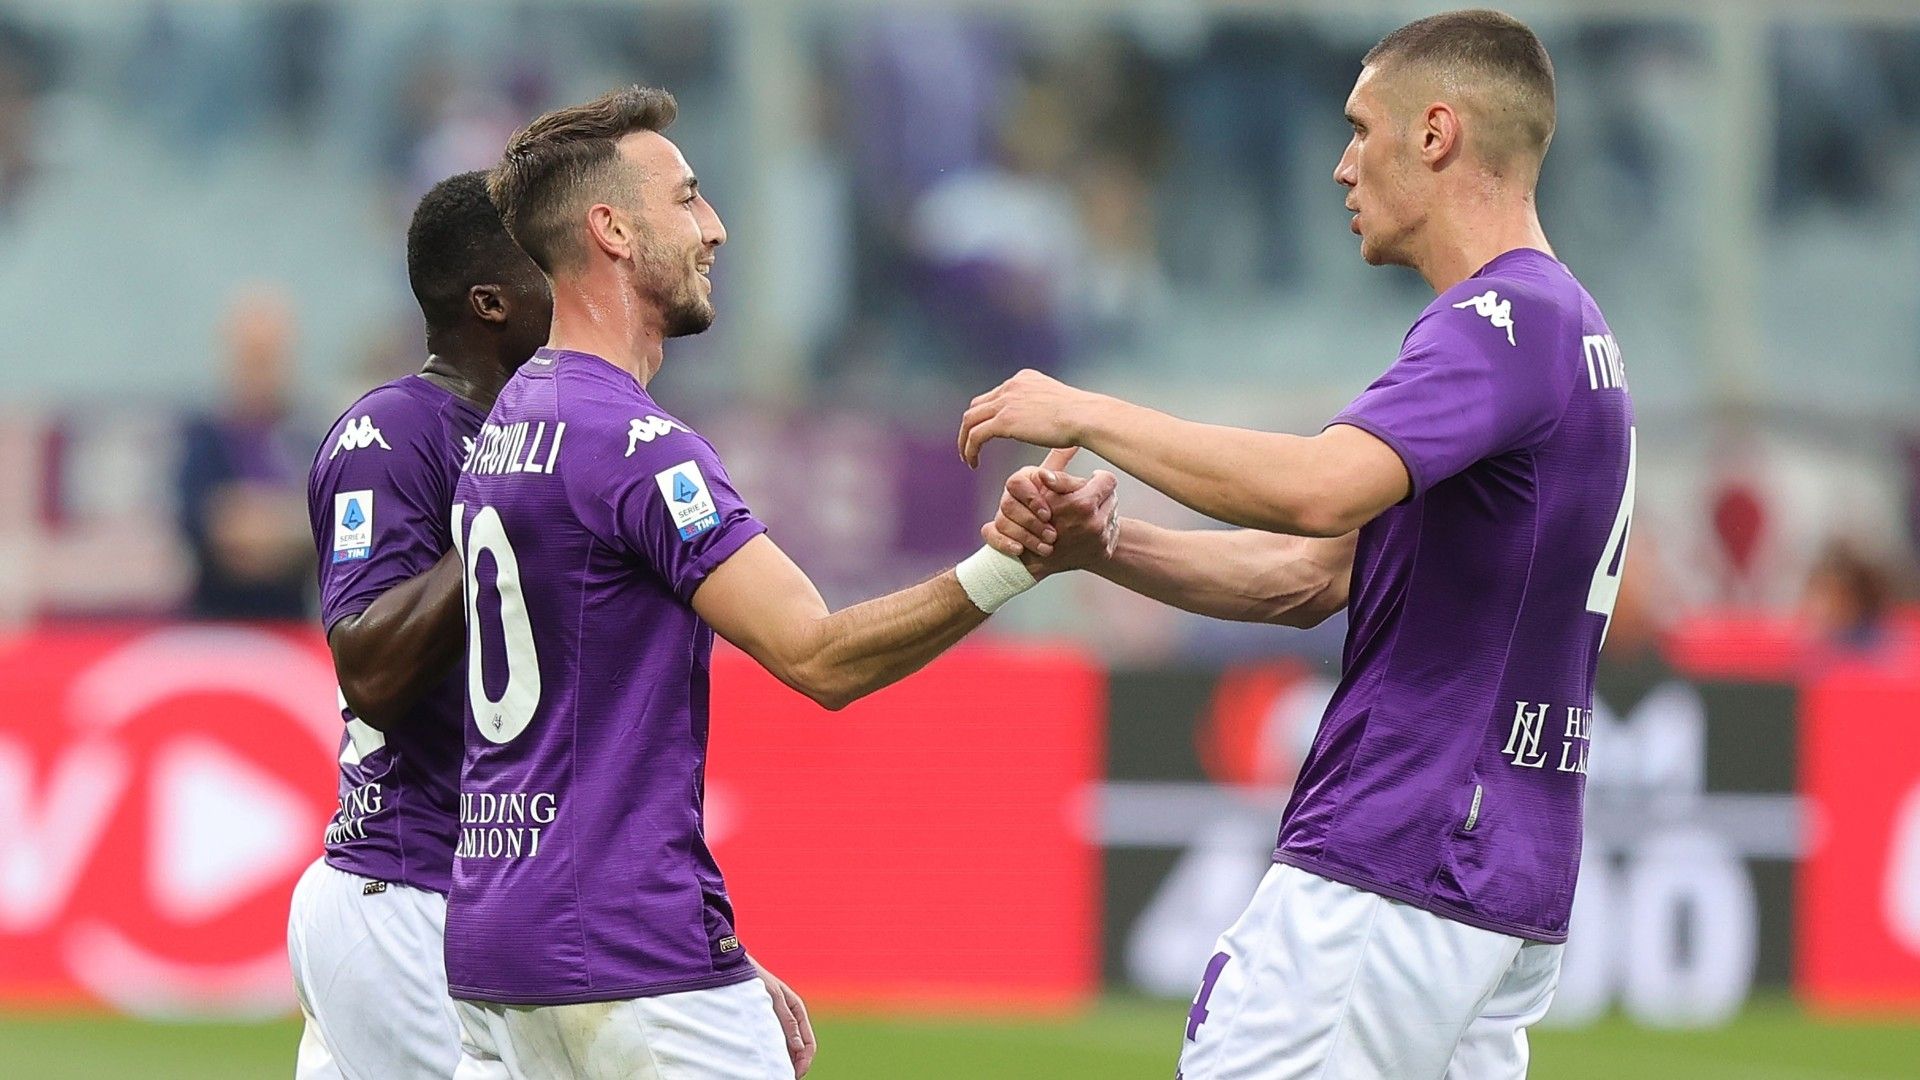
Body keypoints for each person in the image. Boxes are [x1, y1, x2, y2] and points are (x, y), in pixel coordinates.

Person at [965, 11, 1635, 1079]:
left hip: (1401, 848)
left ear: (1437, 134)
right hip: (1494, 874)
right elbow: (1311, 581)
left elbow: (1321, 495)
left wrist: (1088, 412)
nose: (1339, 165)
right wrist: (1106, 548)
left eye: (1361, 128)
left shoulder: (1504, 320)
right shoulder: (1564, 329)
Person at [445, 87, 1120, 1079]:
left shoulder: (507, 428)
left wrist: (714, 946)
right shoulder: (636, 447)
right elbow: (818, 655)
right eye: (687, 198)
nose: (714, 227)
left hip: (504, 948)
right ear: (612, 230)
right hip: (630, 957)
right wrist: (1009, 562)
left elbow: (571, 740)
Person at [288, 171, 814, 1079]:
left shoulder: (558, 439)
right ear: (490, 303)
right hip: (407, 880)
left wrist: (707, 965)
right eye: (547, 271)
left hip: (502, 898)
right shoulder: (393, 434)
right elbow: (366, 668)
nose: (577, 287)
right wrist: (510, 519)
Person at [176, 286, 315, 620]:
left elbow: (325, 526)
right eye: (252, 358)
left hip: (292, 625)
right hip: (216, 622)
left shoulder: (309, 438)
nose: (261, 371)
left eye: (269, 358)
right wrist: (285, 523)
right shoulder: (204, 440)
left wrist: (262, 523)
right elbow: (208, 525)